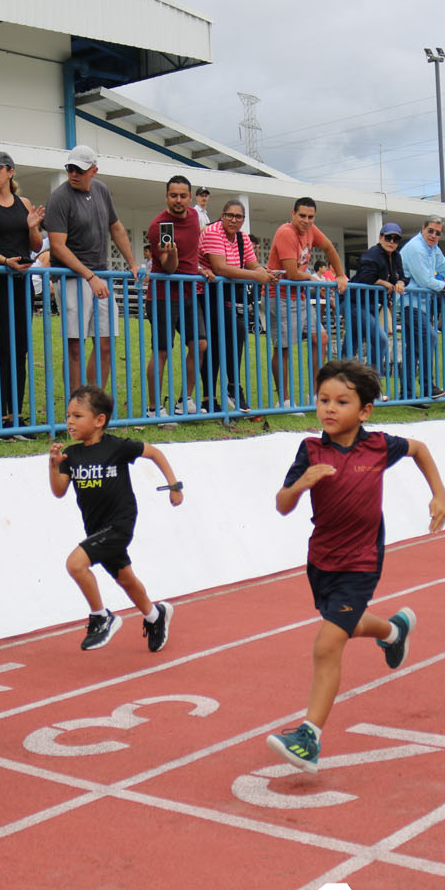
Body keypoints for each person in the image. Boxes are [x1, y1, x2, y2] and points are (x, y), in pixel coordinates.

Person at [266, 359, 445, 773]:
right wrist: (301, 484)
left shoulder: (379, 446)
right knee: (343, 621)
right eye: (323, 400)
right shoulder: (310, 450)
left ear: (364, 411)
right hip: (321, 560)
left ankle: (308, 737)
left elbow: (420, 449)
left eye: (341, 402)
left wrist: (439, 495)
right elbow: (281, 505)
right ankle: (392, 630)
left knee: (328, 643)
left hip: (362, 561)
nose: (329, 409)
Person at [48, 385, 181, 651]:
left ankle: (101, 616)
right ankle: (155, 616)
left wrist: (174, 485)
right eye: (68, 416)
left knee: (75, 564)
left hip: (120, 523)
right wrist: (53, 466)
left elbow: (154, 452)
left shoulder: (117, 447)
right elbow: (59, 491)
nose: (70, 422)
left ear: (99, 421)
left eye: (77, 416)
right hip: (95, 529)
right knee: (125, 579)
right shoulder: (71, 455)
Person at [45, 145, 137, 393]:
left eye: (80, 169)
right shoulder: (59, 198)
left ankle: (93, 405)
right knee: (75, 345)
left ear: (93, 171)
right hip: (72, 278)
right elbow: (58, 246)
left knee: (106, 343)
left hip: (100, 274)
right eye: (70, 168)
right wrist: (90, 276)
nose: (73, 173)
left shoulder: (102, 190)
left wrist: (132, 263)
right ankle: (75, 409)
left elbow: (116, 227)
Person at [0, 151, 44, 435]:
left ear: (11, 172)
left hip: (20, 284)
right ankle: (2, 418)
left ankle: (17, 415)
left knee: (20, 350)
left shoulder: (24, 203)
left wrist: (32, 227)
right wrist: (5, 262)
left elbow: (36, 246)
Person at [265, 197, 347, 407]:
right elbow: (291, 272)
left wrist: (340, 275)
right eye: (302, 216)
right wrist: (313, 279)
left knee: (321, 338)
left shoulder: (312, 230)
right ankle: (283, 401)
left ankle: (317, 395)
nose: (306, 220)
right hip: (280, 294)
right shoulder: (286, 233)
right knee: (283, 348)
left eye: (310, 217)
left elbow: (329, 248)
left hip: (299, 295)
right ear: (293, 214)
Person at [199, 199, 277, 411]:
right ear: (222, 216)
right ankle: (209, 398)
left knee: (237, 332)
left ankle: (232, 388)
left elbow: (253, 264)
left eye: (238, 216)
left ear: (243, 220)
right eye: (229, 215)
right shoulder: (214, 232)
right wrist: (257, 275)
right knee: (216, 342)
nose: (234, 220)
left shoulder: (242, 238)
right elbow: (220, 268)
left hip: (223, 295)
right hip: (202, 292)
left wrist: (265, 273)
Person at [145, 175, 206, 417]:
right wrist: (172, 255)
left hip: (189, 292)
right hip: (162, 295)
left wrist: (202, 267)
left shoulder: (194, 217)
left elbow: (195, 249)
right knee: (162, 351)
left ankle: (185, 401)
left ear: (190, 198)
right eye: (173, 195)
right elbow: (168, 267)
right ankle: (153, 408)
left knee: (200, 344)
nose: (178, 200)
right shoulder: (157, 226)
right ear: (166, 197)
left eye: (183, 196)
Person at [398, 215, 445, 402]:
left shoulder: (433, 248)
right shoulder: (416, 248)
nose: (433, 235)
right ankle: (428, 387)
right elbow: (424, 280)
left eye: (438, 233)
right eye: (430, 231)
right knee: (429, 338)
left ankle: (407, 393)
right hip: (410, 303)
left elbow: (444, 266)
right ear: (422, 229)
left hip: (420, 304)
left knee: (413, 349)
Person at [345, 222, 407, 376]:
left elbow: (402, 276)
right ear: (381, 237)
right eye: (388, 237)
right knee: (381, 340)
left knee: (350, 344)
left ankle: (340, 381)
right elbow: (365, 278)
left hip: (372, 304)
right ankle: (371, 382)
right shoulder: (372, 254)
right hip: (355, 302)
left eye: (396, 239)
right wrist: (382, 282)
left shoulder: (396, 256)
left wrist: (400, 282)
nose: (391, 242)